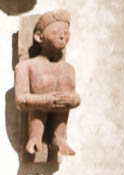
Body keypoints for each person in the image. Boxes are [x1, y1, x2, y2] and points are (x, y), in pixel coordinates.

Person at [14, 9, 80, 157]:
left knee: (64, 88)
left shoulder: (68, 69)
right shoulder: (27, 66)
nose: (62, 36)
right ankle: (35, 137)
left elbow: (75, 96)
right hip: (36, 116)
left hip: (60, 120)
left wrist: (73, 100)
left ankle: (59, 139)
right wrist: (45, 100)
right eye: (55, 32)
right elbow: (20, 99)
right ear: (39, 36)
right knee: (44, 86)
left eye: (65, 32)